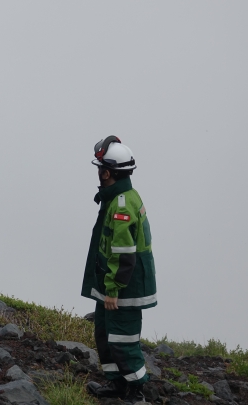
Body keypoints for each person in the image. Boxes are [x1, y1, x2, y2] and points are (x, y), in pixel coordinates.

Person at [81, 136, 157, 403]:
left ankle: (136, 393)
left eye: (100, 168)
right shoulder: (117, 198)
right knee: (104, 333)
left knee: (123, 340)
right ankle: (117, 385)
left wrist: (113, 290)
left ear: (107, 172)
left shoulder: (122, 205)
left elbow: (124, 255)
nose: (98, 173)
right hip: (110, 284)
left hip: (123, 287)